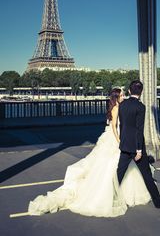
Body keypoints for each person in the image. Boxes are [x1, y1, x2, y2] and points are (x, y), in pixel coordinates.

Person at [28, 88, 153, 217]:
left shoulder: (119, 107)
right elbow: (114, 127)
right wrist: (119, 141)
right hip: (115, 139)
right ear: (116, 97)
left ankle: (116, 192)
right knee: (114, 166)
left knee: (116, 166)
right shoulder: (116, 108)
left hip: (113, 138)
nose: (123, 97)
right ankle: (112, 193)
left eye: (123, 94)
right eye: (121, 95)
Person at [117, 80, 160, 209]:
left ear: (129, 91)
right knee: (147, 175)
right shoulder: (140, 107)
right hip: (136, 147)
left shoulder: (122, 104)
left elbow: (122, 125)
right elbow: (139, 129)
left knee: (119, 173)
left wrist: (123, 141)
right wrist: (138, 150)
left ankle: (110, 198)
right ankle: (158, 201)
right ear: (141, 92)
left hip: (125, 144)